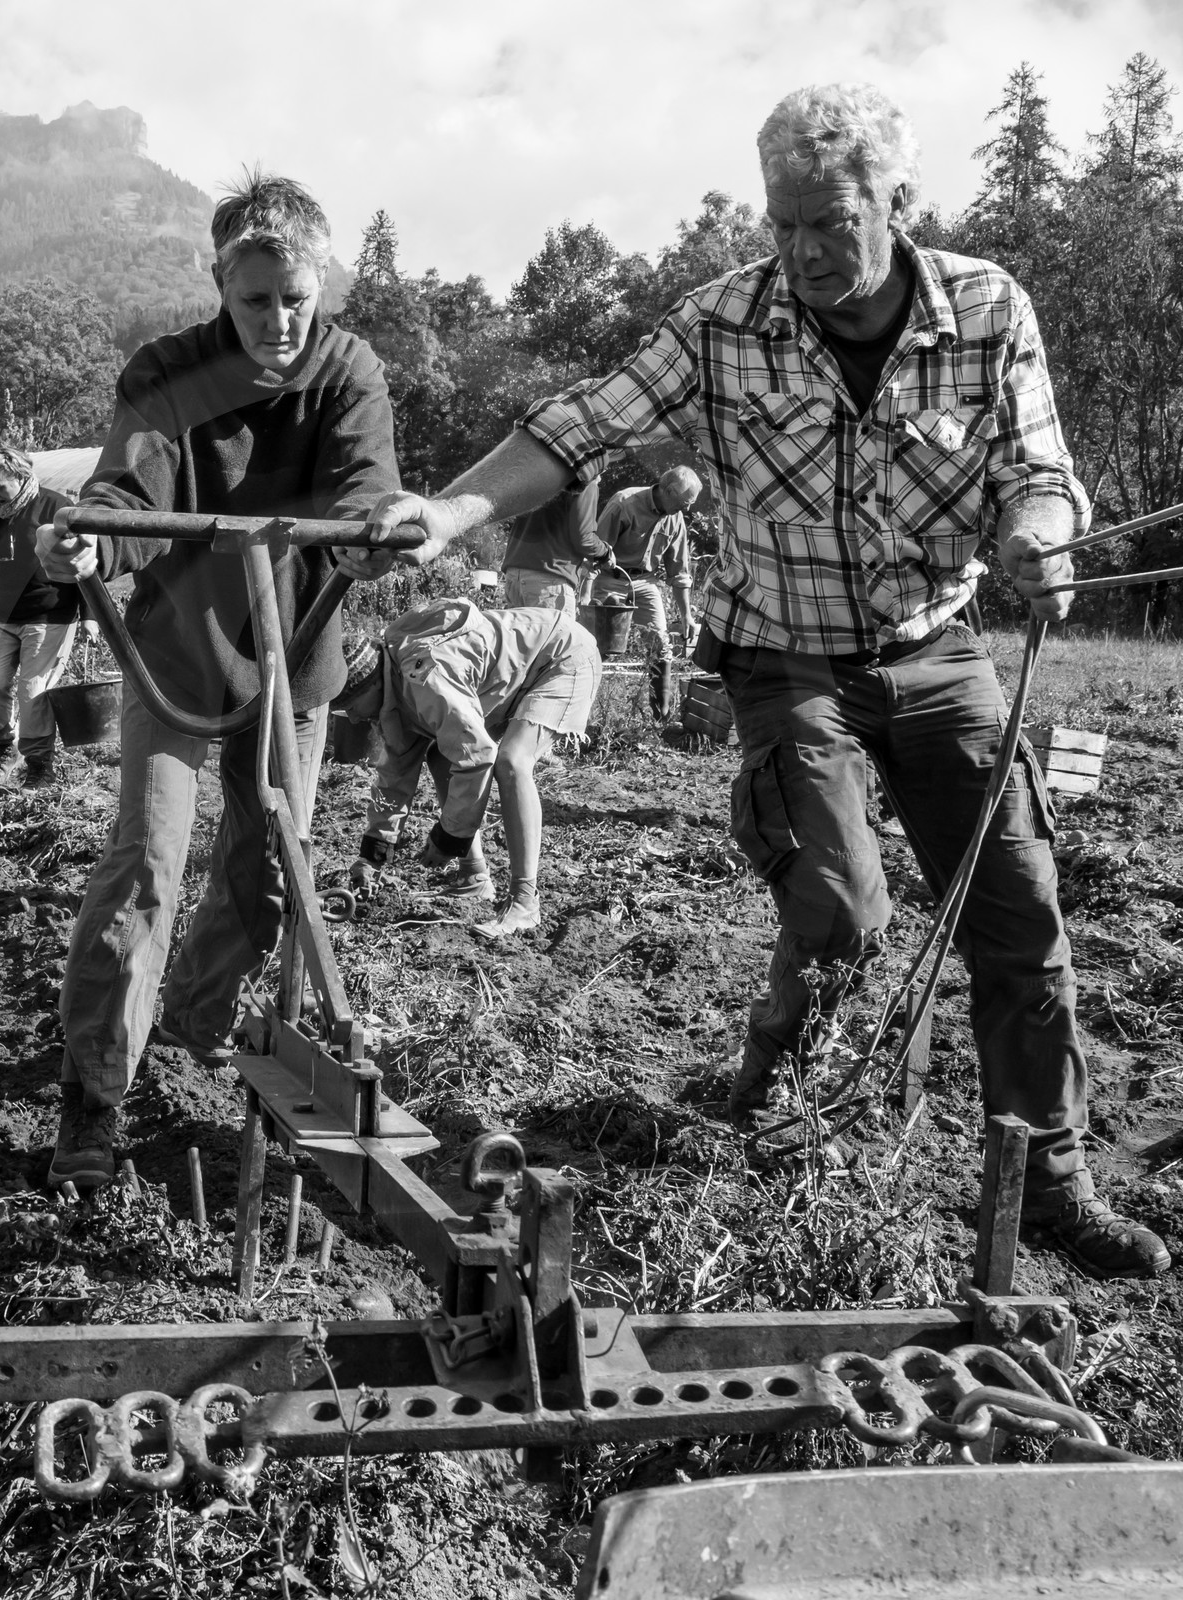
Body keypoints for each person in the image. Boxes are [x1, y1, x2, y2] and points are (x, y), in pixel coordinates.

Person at [359, 83, 1168, 1278]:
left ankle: (1046, 1182)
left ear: (895, 200)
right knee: (841, 912)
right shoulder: (721, 322)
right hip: (786, 659)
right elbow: (578, 426)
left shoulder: (991, 307)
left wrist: (1036, 531)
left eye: (828, 223)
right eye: (781, 224)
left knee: (1019, 919)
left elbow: (1035, 468)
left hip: (938, 653)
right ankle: (773, 1120)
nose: (800, 252)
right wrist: (451, 511)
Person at [34, 170, 399, 1192]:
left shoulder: (348, 369)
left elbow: (366, 486)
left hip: (297, 658)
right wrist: (93, 550)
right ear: (219, 283)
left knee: (267, 871)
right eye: (255, 301)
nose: (278, 321)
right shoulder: (169, 371)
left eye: (296, 297)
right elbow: (121, 490)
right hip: (178, 658)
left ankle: (188, 1034)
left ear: (320, 281)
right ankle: (95, 1098)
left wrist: (373, 535)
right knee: (145, 865)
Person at [338, 600, 601, 937]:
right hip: (521, 675)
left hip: (560, 656)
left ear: (370, 684)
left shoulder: (424, 679)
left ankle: (525, 902)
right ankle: (474, 877)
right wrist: (373, 853)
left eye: (351, 706)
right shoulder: (392, 697)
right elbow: (395, 775)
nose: (356, 717)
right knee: (441, 755)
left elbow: (478, 756)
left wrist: (449, 838)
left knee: (512, 762)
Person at [0, 445, 80, 788]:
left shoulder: (58, 507)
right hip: (3, 615)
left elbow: (83, 562)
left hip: (50, 614)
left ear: (20, 477)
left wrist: (90, 615)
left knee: (33, 691)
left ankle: (39, 764)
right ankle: (5, 747)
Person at [595, 465, 702, 678]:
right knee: (600, 644)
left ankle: (661, 710)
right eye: (685, 503)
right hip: (610, 577)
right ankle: (582, 693)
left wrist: (686, 616)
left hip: (645, 581)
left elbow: (678, 572)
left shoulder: (676, 517)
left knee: (660, 647)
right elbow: (597, 550)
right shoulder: (624, 503)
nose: (687, 510)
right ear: (670, 491)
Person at [500, 481, 607, 615]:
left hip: (514, 576)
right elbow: (584, 539)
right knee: (555, 636)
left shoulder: (543, 471)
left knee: (520, 636)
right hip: (549, 581)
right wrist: (605, 553)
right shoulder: (585, 481)